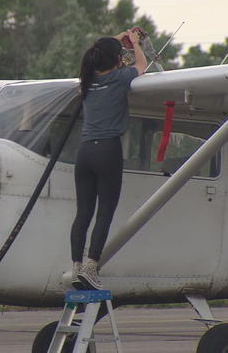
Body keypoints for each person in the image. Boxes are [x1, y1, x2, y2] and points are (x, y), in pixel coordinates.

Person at [71, 29, 148, 290]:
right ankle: (92, 267)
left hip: (84, 153)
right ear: (116, 59)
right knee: (105, 212)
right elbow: (142, 65)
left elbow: (101, 49)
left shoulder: (87, 77)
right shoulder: (120, 77)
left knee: (83, 213)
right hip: (107, 151)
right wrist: (135, 43)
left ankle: (75, 267)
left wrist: (120, 37)